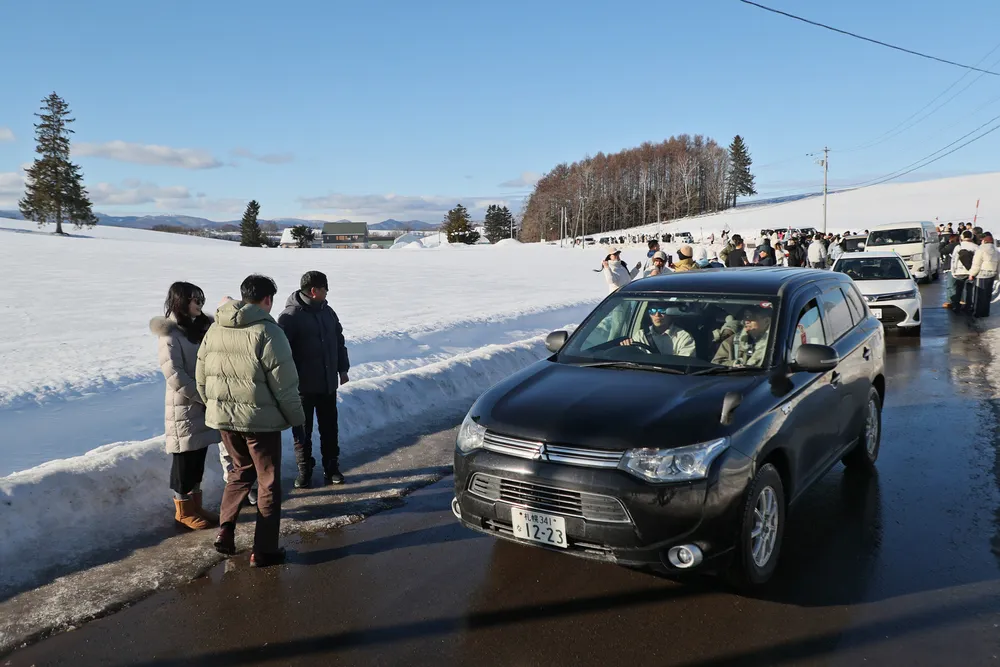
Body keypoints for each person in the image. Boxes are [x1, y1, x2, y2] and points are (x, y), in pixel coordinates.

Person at [197, 274, 305, 567]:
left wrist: (213, 406)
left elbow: (201, 372)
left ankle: (225, 530)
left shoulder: (216, 327)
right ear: (267, 300)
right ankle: (264, 549)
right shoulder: (269, 332)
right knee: (268, 481)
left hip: (224, 419)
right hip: (259, 421)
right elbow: (284, 383)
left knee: (239, 472)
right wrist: (297, 418)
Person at [150, 282, 220, 531]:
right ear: (181, 302)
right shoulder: (169, 334)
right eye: (194, 300)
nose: (199, 305)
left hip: (202, 404)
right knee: (184, 461)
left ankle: (196, 505)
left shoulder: (199, 328)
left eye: (201, 300)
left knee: (198, 458)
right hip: (184, 406)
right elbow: (174, 374)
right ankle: (183, 510)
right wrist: (201, 394)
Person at [278, 271, 351, 488]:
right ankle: (305, 470)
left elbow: (339, 342)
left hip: (327, 384)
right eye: (324, 288)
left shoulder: (328, 312)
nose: (327, 292)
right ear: (314, 290)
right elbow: (281, 354)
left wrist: (342, 369)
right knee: (302, 431)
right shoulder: (289, 317)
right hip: (302, 388)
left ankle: (332, 467)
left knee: (330, 428)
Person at [620, 306, 696, 356]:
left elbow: (685, 366)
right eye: (652, 311)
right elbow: (633, 361)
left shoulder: (683, 337)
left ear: (671, 314)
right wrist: (627, 348)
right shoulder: (641, 335)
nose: (657, 315)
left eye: (662, 310)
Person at [968, 232, 999, 317]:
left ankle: (978, 312)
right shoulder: (996, 250)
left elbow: (976, 264)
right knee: (987, 295)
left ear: (984, 241)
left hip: (982, 274)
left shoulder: (981, 249)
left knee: (979, 294)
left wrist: (972, 274)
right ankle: (985, 312)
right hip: (992, 274)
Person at [950, 231, 979, 311]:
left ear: (962, 237)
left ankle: (956, 305)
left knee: (958, 289)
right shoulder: (976, 247)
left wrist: (953, 271)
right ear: (972, 237)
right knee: (969, 290)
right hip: (971, 272)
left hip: (959, 271)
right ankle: (968, 305)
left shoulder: (958, 247)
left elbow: (954, 260)